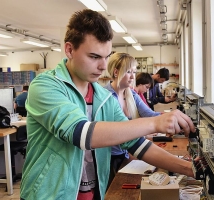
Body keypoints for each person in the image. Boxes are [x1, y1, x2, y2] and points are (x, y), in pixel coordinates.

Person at [20, 9, 195, 200]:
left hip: (95, 192)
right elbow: (81, 133)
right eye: (94, 57)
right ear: (69, 50)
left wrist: (191, 168)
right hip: (48, 195)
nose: (103, 66)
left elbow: (136, 143)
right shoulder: (45, 86)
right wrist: (154, 123)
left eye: (106, 56)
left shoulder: (103, 97)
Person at [104, 53, 161, 178]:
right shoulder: (105, 96)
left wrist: (171, 117)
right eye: (128, 72)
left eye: (134, 72)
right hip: (109, 157)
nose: (132, 77)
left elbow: (149, 114)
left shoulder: (131, 94)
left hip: (126, 151)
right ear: (116, 72)